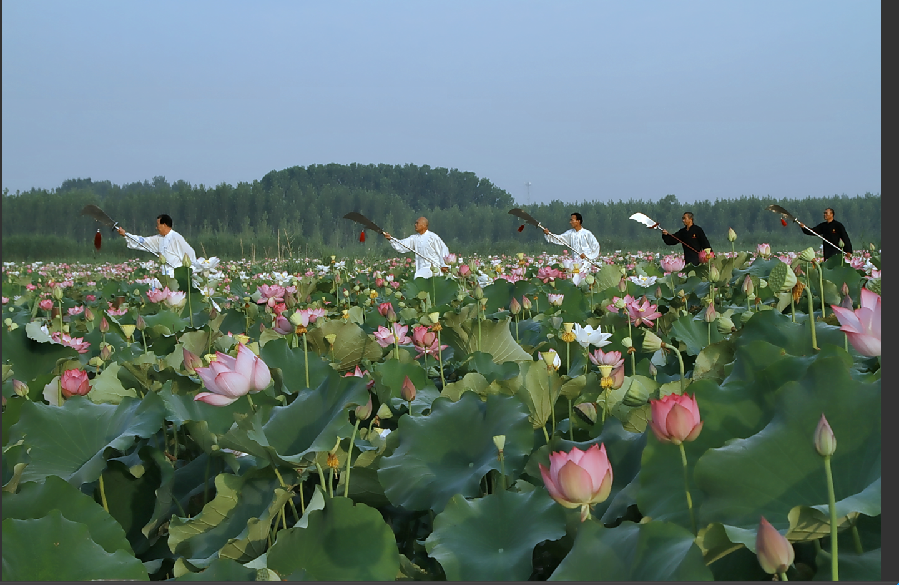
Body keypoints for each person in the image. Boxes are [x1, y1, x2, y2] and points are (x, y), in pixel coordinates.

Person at [117, 214, 197, 278]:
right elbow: (143, 241)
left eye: (158, 225)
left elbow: (190, 254)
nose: (156, 227)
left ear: (164, 225)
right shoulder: (159, 239)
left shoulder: (177, 238)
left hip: (177, 276)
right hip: (165, 276)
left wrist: (189, 273)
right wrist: (126, 235)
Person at [383, 217, 450, 279]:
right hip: (421, 269)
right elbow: (402, 245)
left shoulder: (433, 237)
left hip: (434, 268)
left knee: (418, 276)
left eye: (417, 223)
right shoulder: (414, 238)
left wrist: (444, 265)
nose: (415, 225)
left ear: (424, 225)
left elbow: (443, 249)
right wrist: (391, 239)